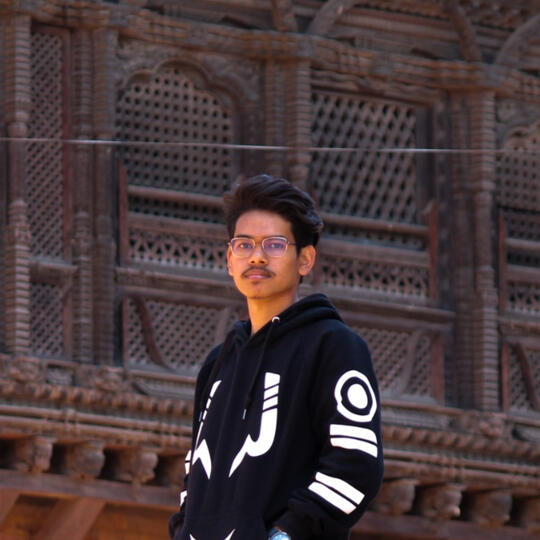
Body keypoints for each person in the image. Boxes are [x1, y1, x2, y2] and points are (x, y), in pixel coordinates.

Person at [169, 174, 383, 540]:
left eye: (275, 244)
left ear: (305, 260)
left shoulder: (333, 346)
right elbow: (196, 472)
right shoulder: (217, 365)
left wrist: (286, 534)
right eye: (243, 245)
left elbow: (356, 463)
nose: (257, 256)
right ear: (229, 259)